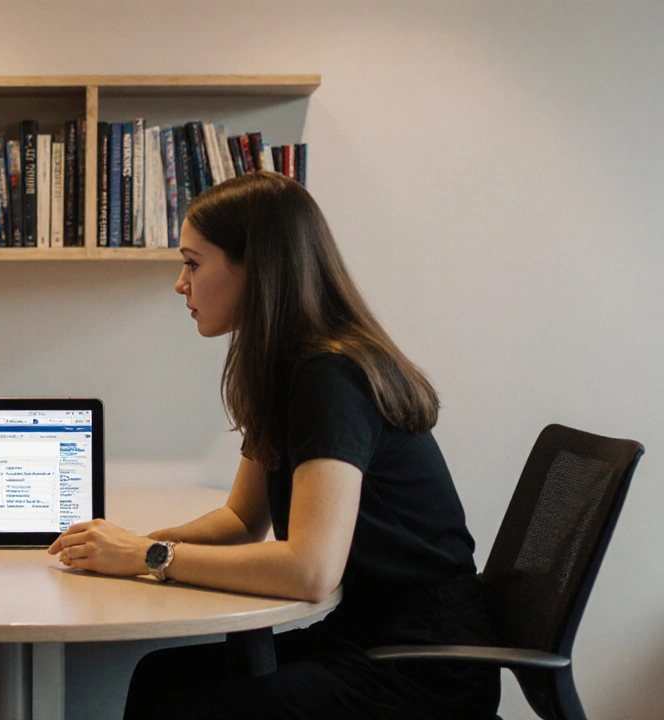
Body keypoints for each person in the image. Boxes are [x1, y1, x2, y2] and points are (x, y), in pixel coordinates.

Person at [48, 171, 500, 719]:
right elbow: (242, 519)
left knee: (177, 705)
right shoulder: (288, 367)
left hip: (423, 665)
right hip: (371, 635)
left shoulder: (330, 375)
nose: (180, 283)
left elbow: (311, 572)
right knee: (159, 678)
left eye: (193, 262)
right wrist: (135, 546)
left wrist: (149, 557)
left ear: (256, 268)